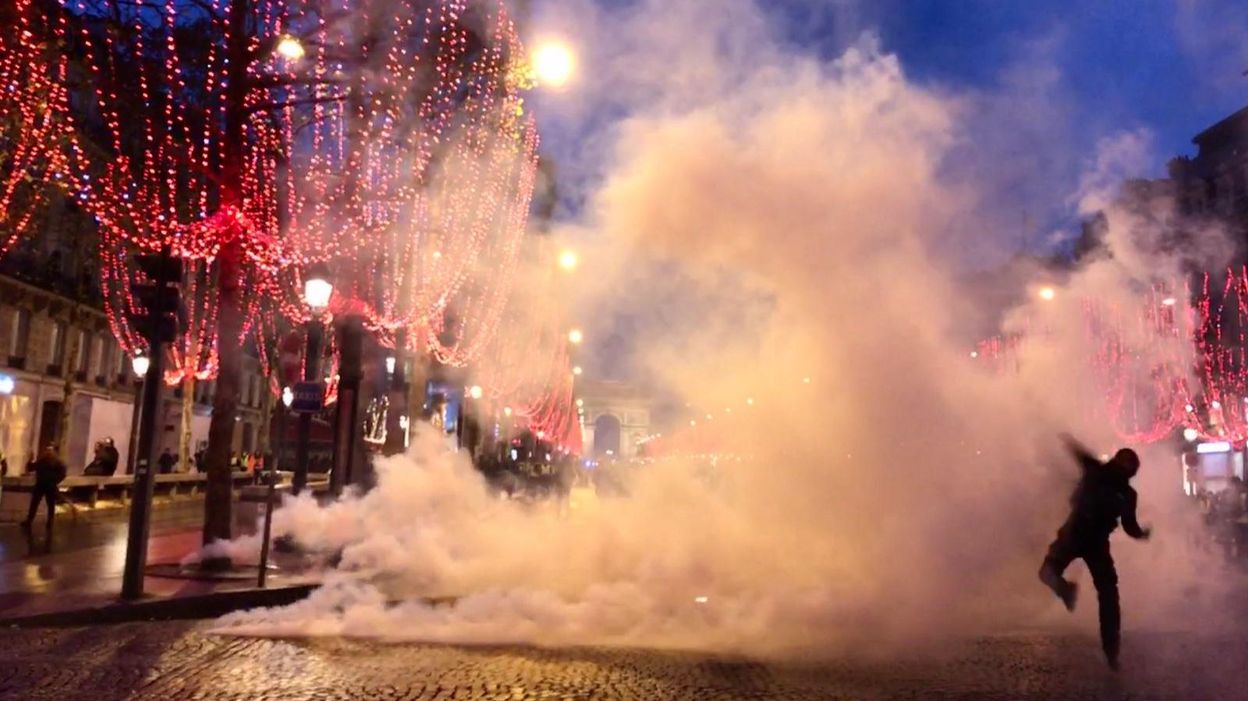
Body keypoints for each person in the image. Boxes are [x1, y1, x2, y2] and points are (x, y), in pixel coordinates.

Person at [1039, 435, 1150, 670]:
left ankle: (1066, 590)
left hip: (1078, 535)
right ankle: (1111, 651)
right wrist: (1141, 534)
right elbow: (1130, 526)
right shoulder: (1125, 492)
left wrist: (1065, 439)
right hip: (1091, 540)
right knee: (1108, 595)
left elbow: (1080, 453)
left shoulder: (1099, 473)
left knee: (1050, 572)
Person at [22, 445, 67, 531]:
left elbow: (62, 474)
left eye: (50, 450)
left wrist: (54, 481)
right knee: (34, 504)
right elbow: (31, 468)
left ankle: (49, 522)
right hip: (41, 485)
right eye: (47, 450)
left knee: (50, 505)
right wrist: (30, 460)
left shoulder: (58, 462)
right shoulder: (42, 461)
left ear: (54, 452)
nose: (48, 452)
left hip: (50, 486)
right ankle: (29, 521)